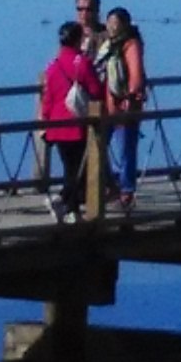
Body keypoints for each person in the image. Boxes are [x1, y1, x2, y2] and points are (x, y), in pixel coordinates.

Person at [38, 22, 109, 220]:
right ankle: (67, 205)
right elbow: (95, 91)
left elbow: (48, 98)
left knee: (70, 166)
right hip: (77, 124)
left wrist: (45, 122)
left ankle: (67, 204)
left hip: (57, 124)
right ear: (79, 39)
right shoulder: (82, 63)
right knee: (78, 169)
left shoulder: (53, 66)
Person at [95, 8, 148, 209]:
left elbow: (136, 72)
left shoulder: (131, 44)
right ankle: (107, 186)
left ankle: (126, 191)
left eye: (115, 23)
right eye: (109, 23)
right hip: (107, 105)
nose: (111, 27)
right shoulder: (109, 45)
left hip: (126, 105)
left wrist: (131, 96)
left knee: (126, 148)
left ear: (125, 24)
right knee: (99, 146)